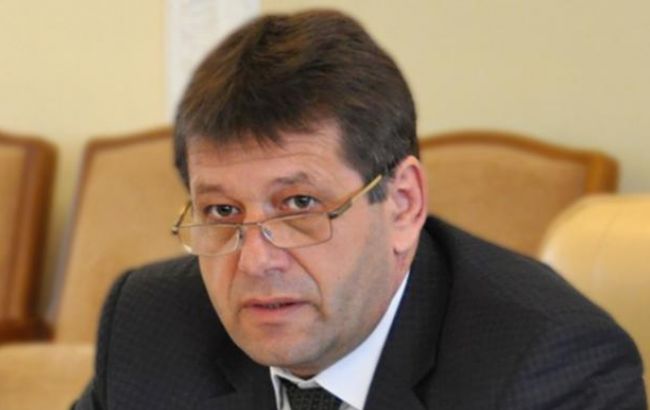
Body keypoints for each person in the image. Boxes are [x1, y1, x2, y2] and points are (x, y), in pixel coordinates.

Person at [73, 9, 646, 410]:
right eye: (222, 211)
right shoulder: (151, 323)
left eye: (299, 205)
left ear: (403, 205)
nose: (255, 261)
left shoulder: (549, 368)